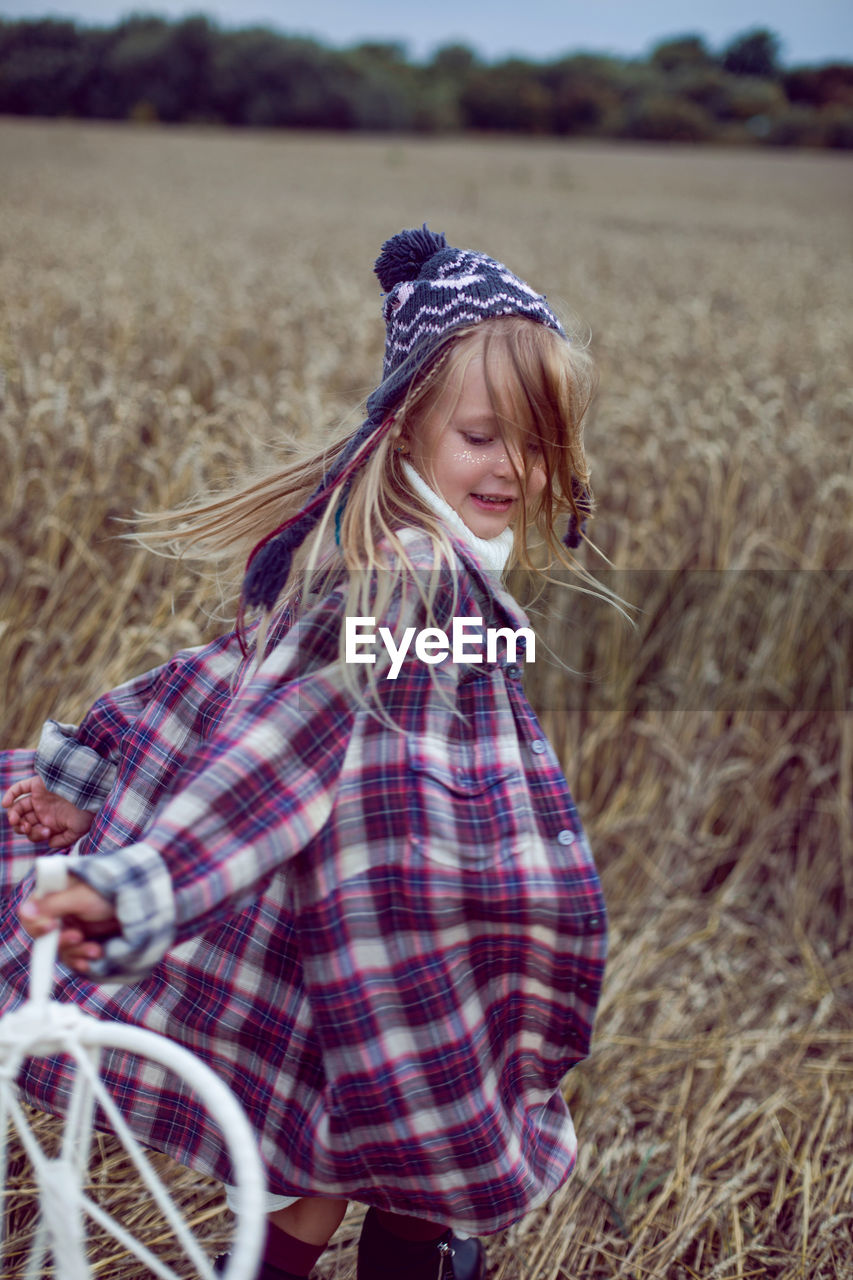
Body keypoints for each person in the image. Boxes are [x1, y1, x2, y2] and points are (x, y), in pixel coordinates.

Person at [2, 226, 608, 1280]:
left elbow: (218, 675)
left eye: (540, 440)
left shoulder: (422, 560)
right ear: (404, 427)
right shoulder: (414, 578)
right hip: (389, 923)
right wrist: (140, 881)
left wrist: (82, 773)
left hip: (418, 903)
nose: (516, 464)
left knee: (380, 1135)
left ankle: (381, 1254)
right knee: (414, 1125)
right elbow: (281, 736)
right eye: (481, 433)